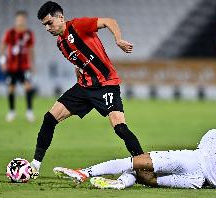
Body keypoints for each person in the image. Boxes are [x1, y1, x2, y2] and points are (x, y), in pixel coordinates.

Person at [30, 1, 143, 178]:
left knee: (120, 128)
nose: (47, 28)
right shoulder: (61, 43)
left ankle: (144, 167)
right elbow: (79, 63)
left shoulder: (78, 26)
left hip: (106, 84)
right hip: (84, 87)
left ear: (61, 17)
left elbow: (108, 21)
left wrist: (118, 40)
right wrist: (78, 84)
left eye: (49, 23)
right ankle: (35, 166)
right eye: (44, 25)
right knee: (49, 118)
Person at [53, 118, 216, 189]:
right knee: (149, 179)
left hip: (193, 161)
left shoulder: (215, 134)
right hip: (199, 182)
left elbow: (203, 150)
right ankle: (118, 184)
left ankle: (84, 172)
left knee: (138, 161)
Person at [0, 11, 35, 122]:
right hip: (11, 67)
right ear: (16, 20)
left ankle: (29, 112)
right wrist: (2, 62)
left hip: (24, 66)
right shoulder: (9, 33)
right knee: (11, 89)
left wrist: (32, 64)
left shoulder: (29, 33)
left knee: (28, 87)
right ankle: (11, 111)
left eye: (22, 19)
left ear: (25, 20)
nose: (20, 21)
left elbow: (31, 50)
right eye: (18, 19)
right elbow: (3, 48)